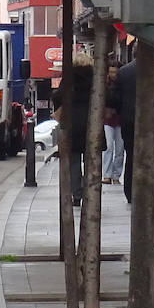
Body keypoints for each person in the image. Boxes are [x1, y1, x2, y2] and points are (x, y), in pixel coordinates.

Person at [45, 55, 103, 207]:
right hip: (92, 121)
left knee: (74, 161)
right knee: (91, 161)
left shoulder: (70, 78)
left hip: (73, 123)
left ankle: (77, 194)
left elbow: (57, 96)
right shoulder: (96, 77)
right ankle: (91, 192)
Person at [110, 59, 138, 204]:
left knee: (131, 156)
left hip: (128, 120)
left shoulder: (124, 72)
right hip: (152, 120)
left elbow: (115, 98)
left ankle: (130, 191)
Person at [102, 62, 125, 186]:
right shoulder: (104, 85)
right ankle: (107, 175)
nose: (113, 75)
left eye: (115, 72)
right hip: (108, 119)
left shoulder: (121, 84)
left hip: (119, 119)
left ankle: (116, 175)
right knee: (108, 147)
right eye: (111, 72)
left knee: (120, 149)